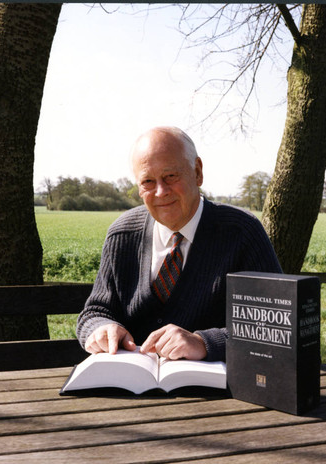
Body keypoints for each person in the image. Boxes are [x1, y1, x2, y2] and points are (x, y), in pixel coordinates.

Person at [76, 126, 282, 361]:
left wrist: (204, 342)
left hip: (218, 393)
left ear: (197, 172)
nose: (161, 191)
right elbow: (95, 311)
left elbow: (273, 325)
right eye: (148, 181)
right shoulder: (122, 235)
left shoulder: (242, 232)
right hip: (132, 389)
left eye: (170, 176)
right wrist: (100, 328)